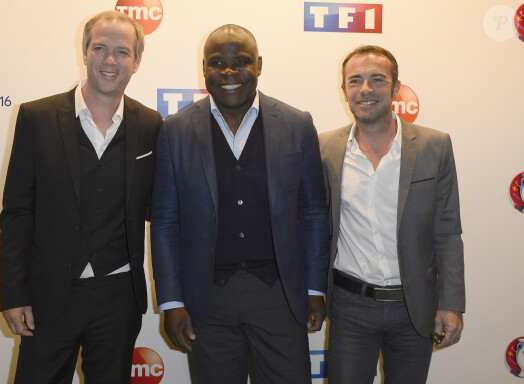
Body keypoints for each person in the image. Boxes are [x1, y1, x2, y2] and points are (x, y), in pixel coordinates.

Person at [150, 24, 329, 384]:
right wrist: (171, 302)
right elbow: (166, 222)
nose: (229, 72)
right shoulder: (176, 131)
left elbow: (313, 213)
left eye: (241, 61)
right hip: (206, 298)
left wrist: (314, 288)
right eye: (217, 62)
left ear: (259, 65)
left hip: (279, 293)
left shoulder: (297, 124)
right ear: (204, 69)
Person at [0, 10, 162, 383]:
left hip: (119, 296)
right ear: (84, 52)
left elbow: (160, 208)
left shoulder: (151, 125)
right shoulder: (36, 117)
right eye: (100, 48)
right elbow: (18, 212)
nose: (110, 60)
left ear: (136, 61)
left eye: (122, 52)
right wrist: (13, 293)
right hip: (48, 296)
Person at [319, 45, 465, 384]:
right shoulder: (325, 148)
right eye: (355, 81)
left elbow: (447, 230)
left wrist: (452, 303)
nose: (365, 89)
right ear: (344, 91)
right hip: (350, 307)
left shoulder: (435, 146)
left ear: (396, 88)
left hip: (414, 307)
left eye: (377, 80)